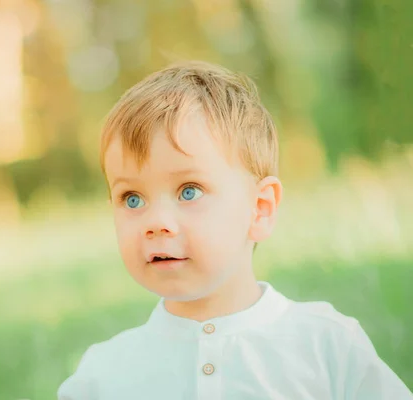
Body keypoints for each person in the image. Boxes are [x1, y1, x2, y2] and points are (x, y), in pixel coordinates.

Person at [57, 60, 412, 399]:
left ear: (259, 209)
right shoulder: (101, 376)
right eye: (132, 198)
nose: (155, 222)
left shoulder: (327, 345)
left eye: (189, 191)